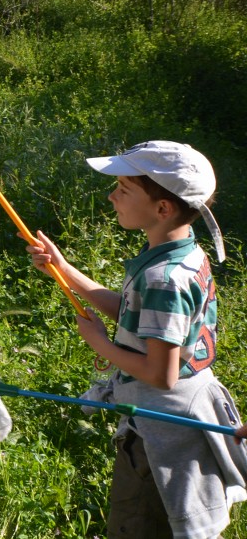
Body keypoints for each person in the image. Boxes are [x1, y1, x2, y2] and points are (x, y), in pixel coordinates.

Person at [27, 140, 246, 539]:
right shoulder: (180, 254)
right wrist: (65, 270)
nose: (112, 196)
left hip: (163, 441)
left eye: (124, 189)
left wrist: (100, 343)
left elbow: (161, 374)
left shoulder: (164, 279)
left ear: (163, 209)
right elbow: (139, 316)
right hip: (172, 418)